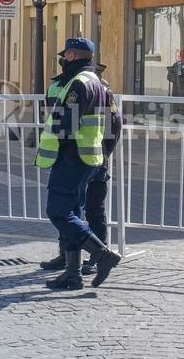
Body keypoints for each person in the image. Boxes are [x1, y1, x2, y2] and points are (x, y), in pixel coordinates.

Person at [35, 37, 121, 290]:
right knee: (72, 213)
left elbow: (66, 125)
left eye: (67, 55)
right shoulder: (93, 81)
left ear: (72, 56)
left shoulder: (79, 83)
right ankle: (72, 274)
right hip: (85, 156)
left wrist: (57, 147)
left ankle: (102, 254)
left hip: (73, 156)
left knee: (58, 212)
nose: (63, 59)